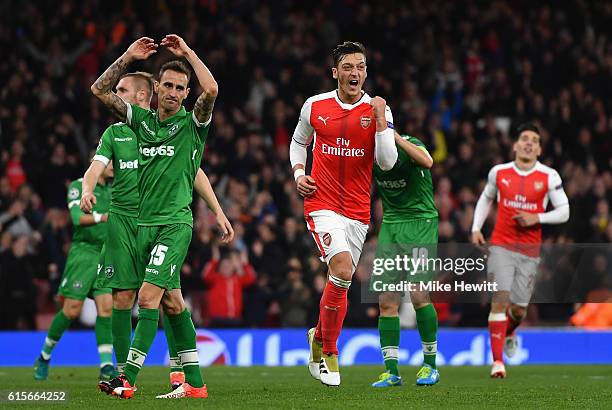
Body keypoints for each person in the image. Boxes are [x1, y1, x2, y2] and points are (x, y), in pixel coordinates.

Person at [80, 71, 233, 390]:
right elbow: (95, 166)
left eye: (124, 88)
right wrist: (88, 189)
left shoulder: (170, 128)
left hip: (166, 223)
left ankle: (135, 377)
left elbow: (193, 170)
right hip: (128, 224)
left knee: (153, 297)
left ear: (141, 94)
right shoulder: (121, 131)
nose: (118, 92)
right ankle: (185, 379)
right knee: (152, 300)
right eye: (169, 86)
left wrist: (218, 211)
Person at [289, 41, 397, 386]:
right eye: (348, 67)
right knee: (343, 268)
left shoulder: (379, 109)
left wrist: (380, 121)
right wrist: (298, 173)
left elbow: (387, 162)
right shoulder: (315, 105)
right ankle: (332, 353)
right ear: (335, 72)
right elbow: (298, 141)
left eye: (361, 67)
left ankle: (317, 338)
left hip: (357, 211)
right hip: (321, 203)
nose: (355, 73)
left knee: (343, 280)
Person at [470, 122, 569, 378]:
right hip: (500, 245)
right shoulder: (499, 172)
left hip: (529, 252)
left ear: (539, 150)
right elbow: (485, 198)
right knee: (500, 298)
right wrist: (475, 228)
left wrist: (537, 218)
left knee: (518, 310)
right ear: (515, 145)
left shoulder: (549, 176)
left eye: (534, 140)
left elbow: (564, 212)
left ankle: (511, 330)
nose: (528, 143)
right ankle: (498, 362)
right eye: (524, 138)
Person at [370, 131, 440, 387]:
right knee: (386, 299)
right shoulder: (370, 152)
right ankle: (391, 371)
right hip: (391, 224)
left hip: (421, 222)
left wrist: (398, 140)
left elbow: (428, 161)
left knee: (418, 293)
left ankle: (430, 365)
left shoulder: (410, 144)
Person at [33, 163, 115, 381]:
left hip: (106, 254)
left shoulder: (114, 189)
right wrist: (103, 216)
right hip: (83, 254)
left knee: (106, 308)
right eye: (111, 162)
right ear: (97, 163)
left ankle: (107, 365)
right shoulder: (79, 186)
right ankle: (44, 356)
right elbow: (78, 219)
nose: (115, 166)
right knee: (71, 310)